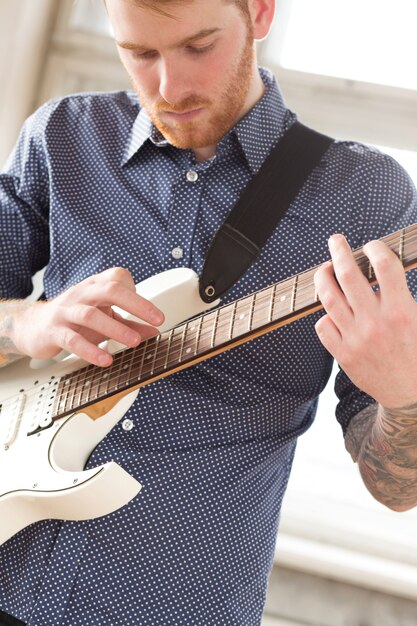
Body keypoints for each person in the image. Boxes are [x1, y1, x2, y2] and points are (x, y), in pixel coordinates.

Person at [1, 0, 417, 624]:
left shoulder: (368, 197)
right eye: (140, 53)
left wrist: (405, 396)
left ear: (259, 12)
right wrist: (22, 323)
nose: (169, 88)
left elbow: (397, 490)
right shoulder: (63, 136)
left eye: (198, 46)